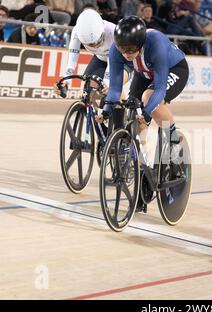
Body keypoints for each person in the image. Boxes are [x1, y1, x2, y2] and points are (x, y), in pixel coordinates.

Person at [101, 16, 189, 212]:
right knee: (134, 115)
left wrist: (148, 112)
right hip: (145, 73)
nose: (126, 53)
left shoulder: (155, 42)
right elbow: (115, 89)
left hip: (175, 69)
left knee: (149, 99)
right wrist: (106, 110)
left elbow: (159, 89)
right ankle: (145, 166)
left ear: (140, 44)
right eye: (123, 49)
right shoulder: (118, 49)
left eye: (131, 49)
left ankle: (172, 140)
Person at [54, 8, 131, 119]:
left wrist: (106, 82)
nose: (95, 46)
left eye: (97, 42)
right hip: (100, 58)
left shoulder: (112, 32)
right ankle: (98, 121)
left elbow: (112, 63)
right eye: (90, 45)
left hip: (120, 60)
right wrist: (67, 81)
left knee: (113, 90)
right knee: (86, 92)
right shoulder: (76, 32)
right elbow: (72, 61)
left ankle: (119, 126)